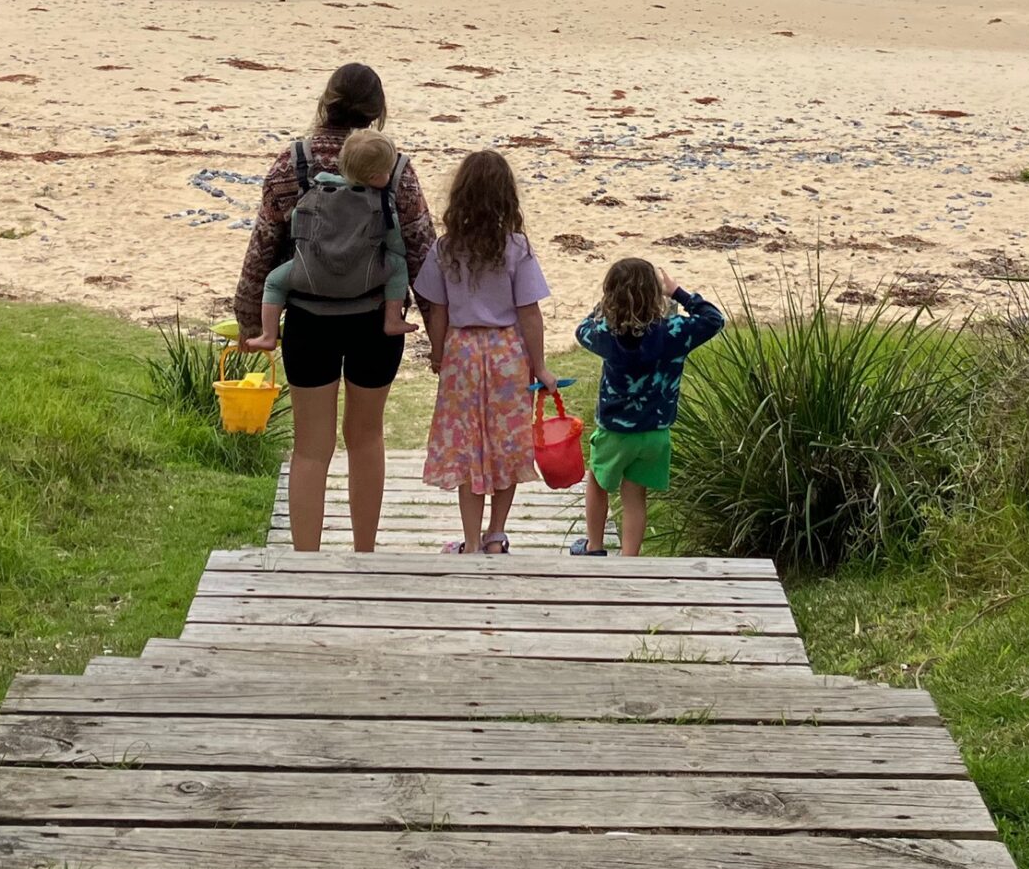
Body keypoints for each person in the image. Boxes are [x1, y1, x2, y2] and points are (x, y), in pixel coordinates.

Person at [235, 64, 434, 551]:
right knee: (366, 438)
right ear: (378, 112)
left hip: (308, 321)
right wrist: (440, 336)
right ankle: (364, 553)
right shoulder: (395, 171)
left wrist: (249, 321)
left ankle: (306, 558)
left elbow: (263, 249)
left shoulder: (292, 163)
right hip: (375, 322)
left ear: (325, 101)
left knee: (310, 448)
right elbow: (423, 254)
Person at [416, 149, 550, 554]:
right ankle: (497, 533)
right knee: (506, 442)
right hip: (507, 351)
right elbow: (530, 313)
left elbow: (436, 310)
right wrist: (539, 365)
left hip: (462, 351)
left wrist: (439, 354)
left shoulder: (446, 249)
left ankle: (471, 541)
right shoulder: (517, 248)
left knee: (466, 445)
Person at [570, 258, 726, 558]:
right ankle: (630, 558)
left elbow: (582, 330)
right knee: (635, 496)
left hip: (615, 431)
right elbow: (713, 319)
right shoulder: (674, 332)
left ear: (611, 296)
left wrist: (603, 307)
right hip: (656, 432)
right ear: (656, 295)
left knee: (598, 483)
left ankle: (594, 546)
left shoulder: (605, 334)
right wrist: (678, 292)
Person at [255, 129, 411, 348]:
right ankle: (393, 319)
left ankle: (268, 335)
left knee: (273, 282)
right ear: (376, 177)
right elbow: (396, 244)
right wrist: (397, 251)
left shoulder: (317, 192)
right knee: (398, 265)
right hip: (363, 281)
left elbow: (299, 226)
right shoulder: (380, 205)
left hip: (309, 277)